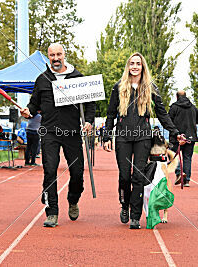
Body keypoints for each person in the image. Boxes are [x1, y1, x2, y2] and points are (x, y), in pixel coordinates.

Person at [103, 52, 184, 229]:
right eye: (132, 63)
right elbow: (110, 114)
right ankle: (124, 205)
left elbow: (162, 114)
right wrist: (107, 135)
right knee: (124, 176)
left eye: (138, 64)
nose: (134, 66)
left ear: (142, 66)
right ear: (128, 66)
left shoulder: (151, 88)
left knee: (138, 176)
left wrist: (175, 132)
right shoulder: (118, 87)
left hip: (143, 137)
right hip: (123, 137)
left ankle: (135, 215)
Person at [20, 43, 96, 227]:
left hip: (72, 132)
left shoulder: (77, 77)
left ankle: (73, 199)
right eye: (52, 55)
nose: (55, 58)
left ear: (64, 55)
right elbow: (33, 104)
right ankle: (52, 211)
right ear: (48, 57)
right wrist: (27, 111)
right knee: (50, 171)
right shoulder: (42, 79)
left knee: (77, 172)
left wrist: (89, 121)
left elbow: (90, 104)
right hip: (49, 132)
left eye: (58, 54)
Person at [169, 90, 198, 187]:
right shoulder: (193, 108)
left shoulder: (174, 107)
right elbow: (197, 121)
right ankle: (186, 180)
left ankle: (179, 173)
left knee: (174, 156)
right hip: (191, 136)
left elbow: (168, 121)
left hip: (177, 137)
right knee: (187, 158)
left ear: (177, 97)